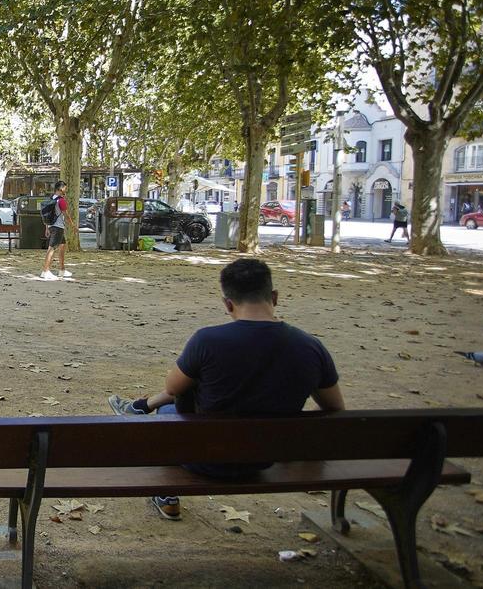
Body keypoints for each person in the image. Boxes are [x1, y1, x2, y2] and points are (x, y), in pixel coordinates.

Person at [107, 258, 344, 520]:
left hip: (204, 458)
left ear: (228, 304)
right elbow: (334, 408)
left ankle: (167, 493)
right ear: (274, 297)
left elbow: (172, 388)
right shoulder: (310, 347)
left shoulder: (207, 341)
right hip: (265, 458)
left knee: (167, 411)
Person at [40, 181, 76, 281]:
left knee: (62, 245)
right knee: (51, 249)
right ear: (60, 189)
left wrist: (47, 228)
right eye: (65, 188)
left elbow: (47, 215)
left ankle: (62, 269)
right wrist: (73, 226)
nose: (66, 190)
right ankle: (45, 271)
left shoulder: (51, 199)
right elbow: (66, 214)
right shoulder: (61, 201)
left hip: (52, 226)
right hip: (58, 227)